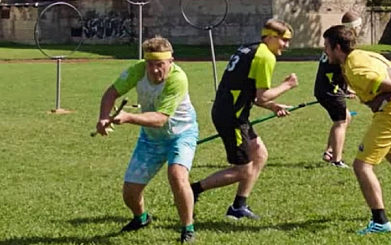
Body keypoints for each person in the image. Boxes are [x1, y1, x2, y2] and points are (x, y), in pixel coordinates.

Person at [322, 25, 391, 234]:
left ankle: (380, 222)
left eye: (326, 47)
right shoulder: (366, 54)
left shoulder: (353, 66)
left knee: (361, 166)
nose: (325, 51)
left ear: (337, 47)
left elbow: (389, 86)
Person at [190, 19, 298, 219]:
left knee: (260, 154)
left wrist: (272, 106)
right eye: (284, 40)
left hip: (231, 111)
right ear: (271, 37)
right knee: (243, 170)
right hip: (232, 117)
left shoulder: (249, 48)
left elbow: (249, 93)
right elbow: (262, 96)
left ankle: (238, 206)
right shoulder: (265, 56)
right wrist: (288, 85)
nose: (286, 45)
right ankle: (193, 190)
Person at [95, 36, 198, 243]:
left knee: (177, 176)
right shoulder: (137, 70)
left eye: (160, 65)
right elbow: (111, 93)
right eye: (151, 65)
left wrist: (128, 117)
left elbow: (161, 119)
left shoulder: (178, 79)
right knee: (130, 192)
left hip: (181, 134)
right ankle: (141, 218)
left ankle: (188, 228)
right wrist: (104, 117)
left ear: (171, 62)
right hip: (150, 139)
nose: (155, 70)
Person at [314, 10, 361, 168]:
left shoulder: (335, 38)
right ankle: (337, 160)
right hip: (330, 90)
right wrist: (349, 88)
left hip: (326, 88)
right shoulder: (343, 43)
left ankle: (329, 151)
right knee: (341, 122)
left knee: (345, 118)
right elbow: (343, 68)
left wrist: (346, 89)